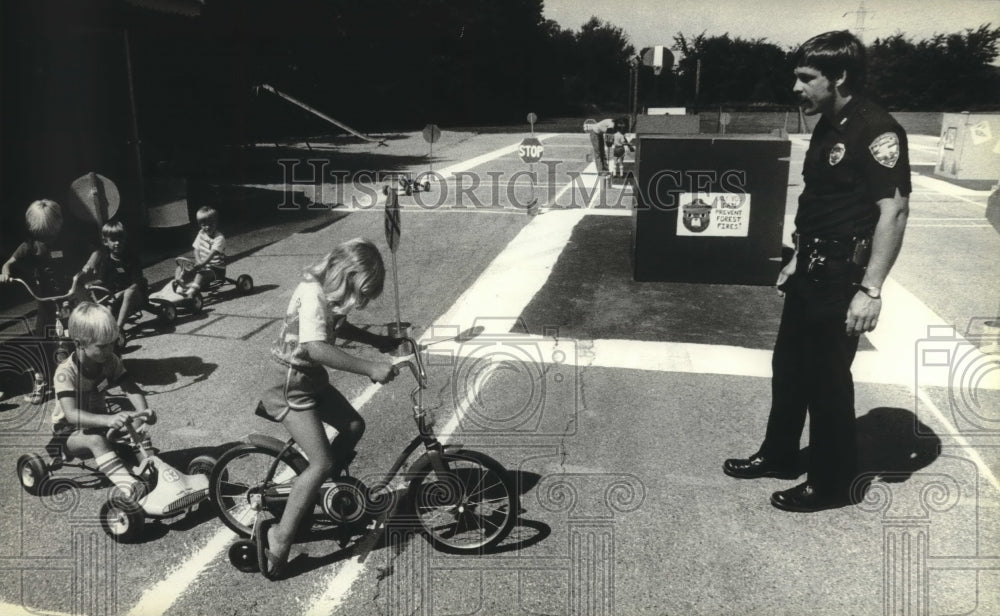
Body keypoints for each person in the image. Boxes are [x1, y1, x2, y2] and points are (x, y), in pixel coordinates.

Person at [723, 30, 910, 512]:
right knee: (788, 369)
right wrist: (794, 256)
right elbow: (821, 203)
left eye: (807, 78)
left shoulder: (877, 129)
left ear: (840, 76)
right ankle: (780, 454)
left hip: (843, 274)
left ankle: (831, 483)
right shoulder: (828, 125)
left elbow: (894, 211)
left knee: (828, 381)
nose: (796, 87)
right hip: (809, 268)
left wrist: (871, 289)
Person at [254, 238, 402, 577]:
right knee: (321, 462)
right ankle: (279, 537)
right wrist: (369, 367)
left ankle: (319, 495)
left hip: (310, 379)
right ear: (348, 275)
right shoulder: (312, 293)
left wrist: (377, 341)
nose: (362, 302)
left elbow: (337, 325)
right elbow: (316, 347)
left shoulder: (327, 292)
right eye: (362, 293)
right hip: (289, 383)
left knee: (353, 426)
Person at [51, 302, 154, 503]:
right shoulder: (65, 373)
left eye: (112, 343)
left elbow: (129, 387)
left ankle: (152, 471)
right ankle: (131, 487)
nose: (109, 350)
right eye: (102, 346)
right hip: (68, 433)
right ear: (80, 343)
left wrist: (144, 411)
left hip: (100, 424)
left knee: (137, 427)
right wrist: (108, 420)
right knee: (96, 440)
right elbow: (71, 414)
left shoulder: (110, 361)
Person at [0, 199, 99, 403]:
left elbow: (96, 250)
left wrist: (90, 264)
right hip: (45, 298)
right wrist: (6, 272)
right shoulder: (31, 244)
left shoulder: (69, 239)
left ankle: (93, 370)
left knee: (81, 331)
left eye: (51, 232)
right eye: (44, 233)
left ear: (59, 225)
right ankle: (41, 378)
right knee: (40, 338)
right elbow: (10, 262)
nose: (49, 238)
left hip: (69, 294)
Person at [94, 221, 148, 341]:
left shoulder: (131, 258)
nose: (117, 243)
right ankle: (106, 330)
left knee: (128, 292)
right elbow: (101, 281)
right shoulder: (106, 261)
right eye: (113, 240)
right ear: (105, 242)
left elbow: (137, 282)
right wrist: (89, 284)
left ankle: (118, 329)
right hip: (117, 298)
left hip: (137, 296)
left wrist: (120, 294)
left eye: (120, 239)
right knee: (107, 304)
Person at [176, 206, 225, 298]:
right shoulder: (201, 233)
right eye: (203, 225)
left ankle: (190, 292)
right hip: (203, 265)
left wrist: (202, 263)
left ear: (216, 223)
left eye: (210, 224)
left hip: (216, 270)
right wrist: (199, 261)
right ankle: (180, 285)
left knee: (201, 274)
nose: (207, 227)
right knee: (181, 268)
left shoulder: (219, 238)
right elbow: (196, 248)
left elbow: (212, 253)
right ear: (200, 225)